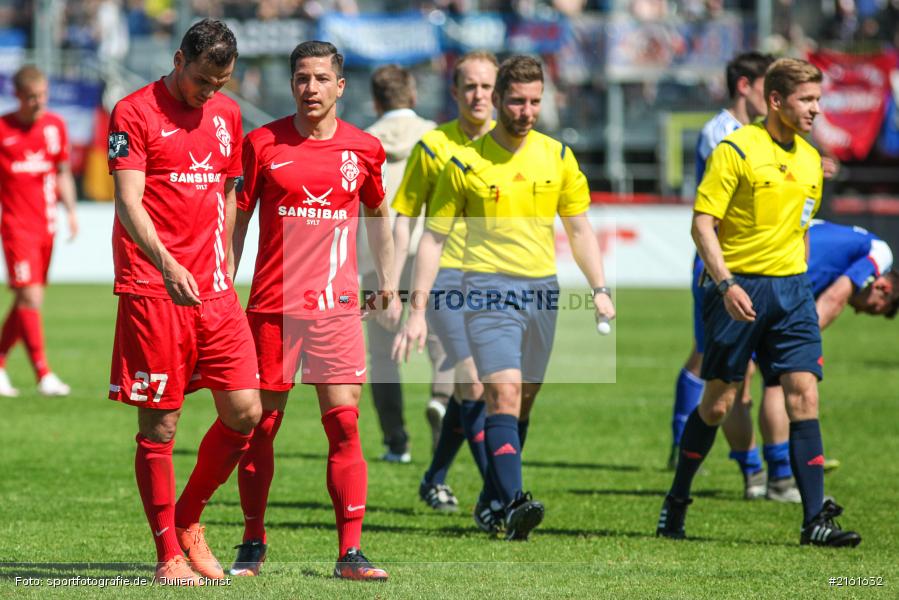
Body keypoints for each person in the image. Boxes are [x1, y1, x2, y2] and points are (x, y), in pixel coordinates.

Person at [395, 55, 615, 541]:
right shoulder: (464, 162)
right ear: (498, 101)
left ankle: (489, 498)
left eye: (535, 101)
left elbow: (579, 228)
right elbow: (432, 238)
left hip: (543, 292)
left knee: (522, 404)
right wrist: (416, 307)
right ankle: (514, 502)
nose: (527, 111)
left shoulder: (558, 156)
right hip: (485, 290)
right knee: (500, 392)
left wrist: (599, 289)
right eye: (517, 101)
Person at [656, 58, 861, 547]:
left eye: (818, 99)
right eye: (806, 100)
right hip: (737, 290)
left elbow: (802, 228)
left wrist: (800, 283)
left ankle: (814, 520)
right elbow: (702, 224)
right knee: (719, 403)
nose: (816, 109)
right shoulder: (736, 149)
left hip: (792, 293)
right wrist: (726, 285)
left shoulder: (810, 160)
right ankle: (677, 499)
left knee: (803, 395)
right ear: (775, 100)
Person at [232, 41, 397, 581]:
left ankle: (350, 553)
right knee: (260, 426)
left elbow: (378, 214)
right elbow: (238, 219)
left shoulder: (364, 148)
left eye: (322, 78)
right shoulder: (261, 143)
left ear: (340, 86)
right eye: (302, 78)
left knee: (345, 424)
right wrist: (222, 282)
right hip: (273, 308)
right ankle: (252, 540)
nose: (311, 88)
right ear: (291, 84)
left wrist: (388, 281)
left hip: (336, 310)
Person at [107, 19, 262, 585]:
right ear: (178, 60)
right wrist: (168, 265)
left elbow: (228, 191)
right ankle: (167, 554)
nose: (209, 92)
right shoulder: (133, 112)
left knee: (246, 411)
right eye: (202, 80)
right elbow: (128, 202)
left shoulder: (227, 114)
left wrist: (226, 261)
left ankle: (188, 518)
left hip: (215, 291)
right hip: (154, 289)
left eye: (221, 82)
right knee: (162, 424)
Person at [391, 51, 500, 519]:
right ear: (454, 92)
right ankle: (499, 495)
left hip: (497, 281)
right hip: (443, 280)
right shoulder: (433, 146)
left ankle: (435, 476)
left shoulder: (511, 146)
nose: (479, 95)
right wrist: (393, 285)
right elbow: (404, 217)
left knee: (478, 389)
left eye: (487, 87)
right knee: (473, 381)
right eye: (470, 86)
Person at [362, 64, 440, 463]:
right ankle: (442, 406)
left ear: (376, 101)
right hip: (431, 249)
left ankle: (396, 442)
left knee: (382, 355)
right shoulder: (437, 137)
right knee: (442, 345)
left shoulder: (363, 142)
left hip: (377, 258)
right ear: (413, 95)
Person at [0, 65, 78, 397]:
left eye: (43, 95)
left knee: (28, 300)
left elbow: (62, 171)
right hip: (16, 228)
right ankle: (43, 374)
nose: (39, 102)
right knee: (30, 297)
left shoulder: (55, 126)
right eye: (32, 97)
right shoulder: (3, 129)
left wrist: (71, 211)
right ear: (18, 95)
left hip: (46, 226)